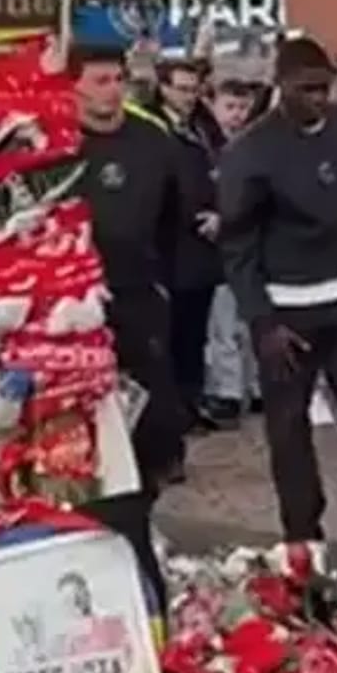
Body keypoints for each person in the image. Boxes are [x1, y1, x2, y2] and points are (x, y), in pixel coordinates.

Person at [216, 36, 337, 547]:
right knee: (289, 430)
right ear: (280, 86)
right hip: (286, 310)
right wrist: (262, 320)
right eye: (306, 90)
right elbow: (238, 244)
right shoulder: (249, 152)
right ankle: (302, 535)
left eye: (325, 88)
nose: (318, 98)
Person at [71, 43, 188, 610]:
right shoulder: (54, 148)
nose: (111, 89)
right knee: (92, 441)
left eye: (117, 78)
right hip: (74, 314)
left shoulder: (150, 142)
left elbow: (174, 220)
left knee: (155, 424)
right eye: (99, 80)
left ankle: (139, 522)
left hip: (140, 304)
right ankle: (104, 534)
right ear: (75, 87)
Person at [149, 58, 228, 438]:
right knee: (168, 336)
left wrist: (221, 212)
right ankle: (171, 410)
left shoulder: (204, 127)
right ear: (163, 87)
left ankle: (191, 402)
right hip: (170, 248)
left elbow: (227, 171)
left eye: (194, 90)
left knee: (195, 334)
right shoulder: (153, 129)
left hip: (203, 249)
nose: (188, 97)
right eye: (181, 89)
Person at [203, 79, 264, 424]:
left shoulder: (256, 146)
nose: (236, 115)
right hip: (219, 250)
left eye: (242, 108)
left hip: (251, 245)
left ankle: (257, 387)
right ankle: (227, 390)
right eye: (230, 107)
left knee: (251, 320)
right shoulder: (206, 144)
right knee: (223, 324)